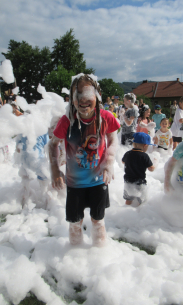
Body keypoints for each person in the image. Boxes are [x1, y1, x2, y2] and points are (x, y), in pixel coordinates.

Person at [49, 74, 120, 246]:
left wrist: (109, 162)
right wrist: (55, 170)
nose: (83, 101)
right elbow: (52, 145)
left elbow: (113, 140)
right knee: (75, 222)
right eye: (78, 96)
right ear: (72, 99)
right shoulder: (67, 121)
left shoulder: (105, 117)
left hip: (98, 181)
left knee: (98, 220)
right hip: (75, 183)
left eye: (88, 96)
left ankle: (99, 253)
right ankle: (75, 255)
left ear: (97, 96)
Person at [122, 132, 155, 207]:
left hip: (128, 182)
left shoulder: (128, 153)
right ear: (145, 145)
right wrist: (154, 164)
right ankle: (139, 212)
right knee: (142, 201)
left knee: (128, 200)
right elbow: (151, 169)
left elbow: (123, 161)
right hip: (140, 183)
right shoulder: (144, 156)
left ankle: (126, 210)